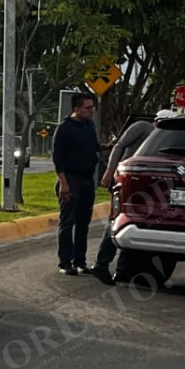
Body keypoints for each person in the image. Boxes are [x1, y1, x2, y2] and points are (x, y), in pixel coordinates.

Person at [90, 109, 175, 284]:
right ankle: (102, 264)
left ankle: (122, 270)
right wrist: (110, 170)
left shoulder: (166, 139)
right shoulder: (143, 127)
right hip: (125, 179)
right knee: (115, 221)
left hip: (145, 186)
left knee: (133, 223)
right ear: (158, 121)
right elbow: (119, 145)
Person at [52, 92, 101, 275]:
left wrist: (108, 146)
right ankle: (65, 263)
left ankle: (80, 260)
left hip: (88, 180)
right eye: (87, 108)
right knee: (67, 222)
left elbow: (94, 146)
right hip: (70, 180)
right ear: (76, 108)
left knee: (83, 223)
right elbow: (58, 159)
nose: (91, 111)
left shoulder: (89, 126)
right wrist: (64, 183)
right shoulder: (65, 128)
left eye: (92, 107)